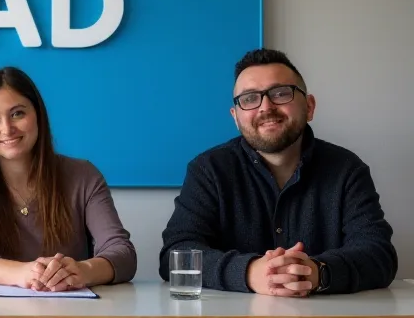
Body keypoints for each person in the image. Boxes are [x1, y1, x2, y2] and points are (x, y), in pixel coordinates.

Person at [159, 48, 397, 296]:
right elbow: (175, 254)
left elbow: (379, 253)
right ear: (236, 117)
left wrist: (317, 272)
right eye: (249, 98)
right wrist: (248, 272)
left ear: (309, 106)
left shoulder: (347, 169)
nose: (266, 107)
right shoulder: (208, 170)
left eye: (281, 93)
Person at [0, 67, 137, 290]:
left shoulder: (84, 176)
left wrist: (83, 271)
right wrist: (23, 273)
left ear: (38, 115)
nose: (7, 129)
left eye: (17, 114)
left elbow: (123, 253)